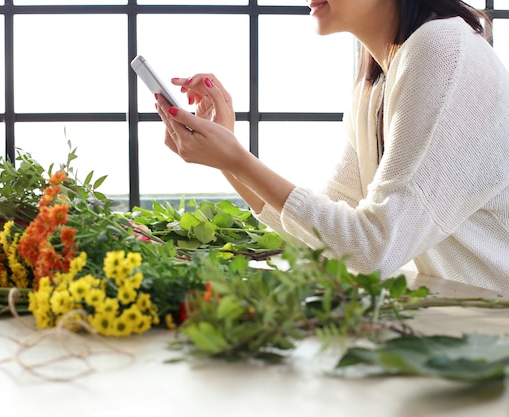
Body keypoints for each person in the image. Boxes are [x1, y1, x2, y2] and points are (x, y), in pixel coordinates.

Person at [155, 0, 509, 293]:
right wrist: (226, 157)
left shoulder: (443, 49)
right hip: (460, 328)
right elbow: (328, 243)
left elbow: (372, 249)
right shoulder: (376, 83)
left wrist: (238, 159)